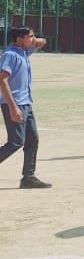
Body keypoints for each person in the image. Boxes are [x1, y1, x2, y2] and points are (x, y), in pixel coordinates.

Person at [0, 27, 51, 189]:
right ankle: (28, 176)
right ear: (19, 40)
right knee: (16, 141)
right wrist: (13, 107)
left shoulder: (23, 52)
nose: (34, 39)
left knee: (32, 138)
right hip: (14, 104)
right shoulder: (10, 55)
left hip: (26, 103)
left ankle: (28, 177)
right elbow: (2, 81)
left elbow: (44, 42)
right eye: (30, 36)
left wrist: (33, 40)